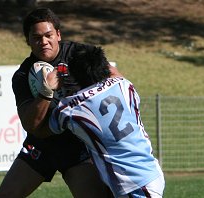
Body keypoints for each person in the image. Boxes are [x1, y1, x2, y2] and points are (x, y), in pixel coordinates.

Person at [0, 8, 121, 198]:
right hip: (42, 145)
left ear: (58, 34)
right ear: (28, 41)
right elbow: (31, 125)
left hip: (78, 146)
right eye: (36, 37)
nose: (43, 42)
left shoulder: (78, 54)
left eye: (48, 35)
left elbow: (118, 81)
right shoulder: (22, 75)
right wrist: (46, 91)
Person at [47, 46, 165, 197]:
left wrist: (47, 89)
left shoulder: (71, 107)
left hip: (133, 183)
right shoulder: (124, 85)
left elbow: (46, 128)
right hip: (149, 172)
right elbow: (112, 73)